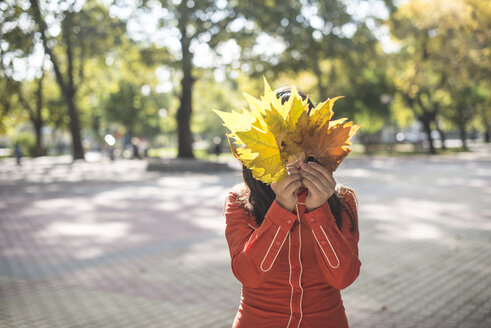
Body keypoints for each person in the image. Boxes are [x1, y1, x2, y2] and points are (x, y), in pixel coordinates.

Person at [223, 88, 360, 328]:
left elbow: (343, 278)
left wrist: (319, 212)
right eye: (283, 146)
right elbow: (248, 274)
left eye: (303, 142)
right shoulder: (240, 200)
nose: (295, 157)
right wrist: (281, 209)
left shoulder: (343, 199)